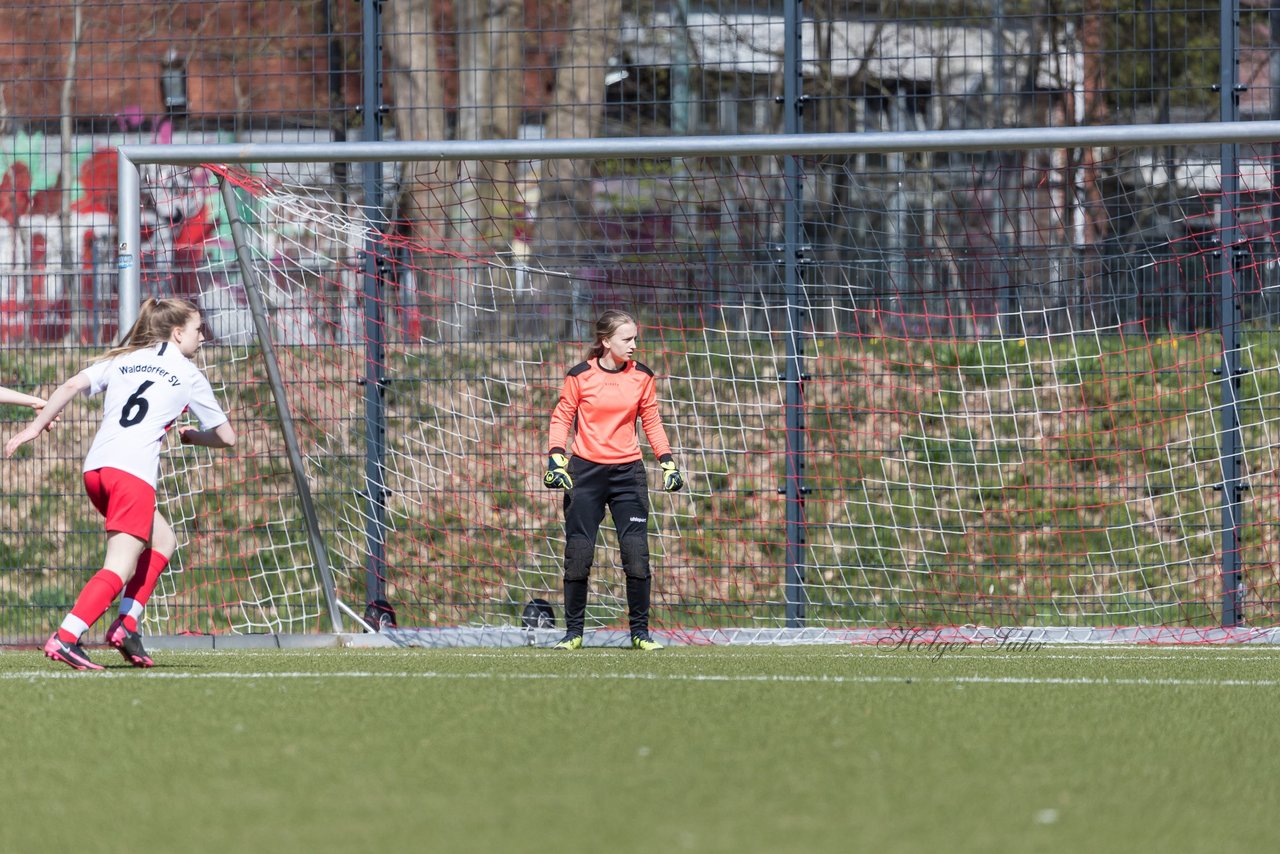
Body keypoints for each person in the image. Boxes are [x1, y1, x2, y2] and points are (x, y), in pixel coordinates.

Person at [5, 297, 236, 671]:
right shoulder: (189, 374)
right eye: (198, 330)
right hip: (132, 476)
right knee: (120, 567)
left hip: (96, 471)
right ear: (178, 333)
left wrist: (34, 426)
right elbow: (227, 437)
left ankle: (126, 624)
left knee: (163, 540)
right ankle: (67, 636)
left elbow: (69, 385)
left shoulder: (124, 358)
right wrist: (193, 437)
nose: (203, 337)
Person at [543, 309, 684, 651]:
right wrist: (556, 457)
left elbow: (651, 421)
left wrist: (667, 462)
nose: (634, 345)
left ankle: (640, 633)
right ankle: (573, 633)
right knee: (579, 553)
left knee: (636, 554)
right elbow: (562, 416)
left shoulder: (642, 377)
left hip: (628, 474)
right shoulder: (579, 376)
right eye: (627, 339)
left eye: (635, 338)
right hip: (585, 473)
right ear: (606, 342)